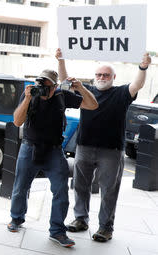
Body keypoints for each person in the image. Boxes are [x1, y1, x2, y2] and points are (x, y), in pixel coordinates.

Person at [57, 48, 152, 242]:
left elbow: (137, 84)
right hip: (84, 147)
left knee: (109, 190)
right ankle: (80, 219)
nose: (102, 77)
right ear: (94, 77)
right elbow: (65, 81)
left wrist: (142, 67)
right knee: (80, 186)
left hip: (111, 150)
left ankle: (105, 228)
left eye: (106, 75)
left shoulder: (122, 93)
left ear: (113, 77)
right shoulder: (86, 91)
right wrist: (61, 60)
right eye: (99, 74)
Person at [7, 69, 98, 248]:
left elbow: (93, 105)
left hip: (54, 150)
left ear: (55, 86)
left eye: (47, 86)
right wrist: (27, 98)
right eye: (40, 84)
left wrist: (80, 88)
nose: (43, 89)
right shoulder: (30, 94)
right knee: (20, 187)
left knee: (61, 191)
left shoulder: (62, 96)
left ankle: (57, 230)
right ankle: (16, 218)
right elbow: (17, 122)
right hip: (29, 147)